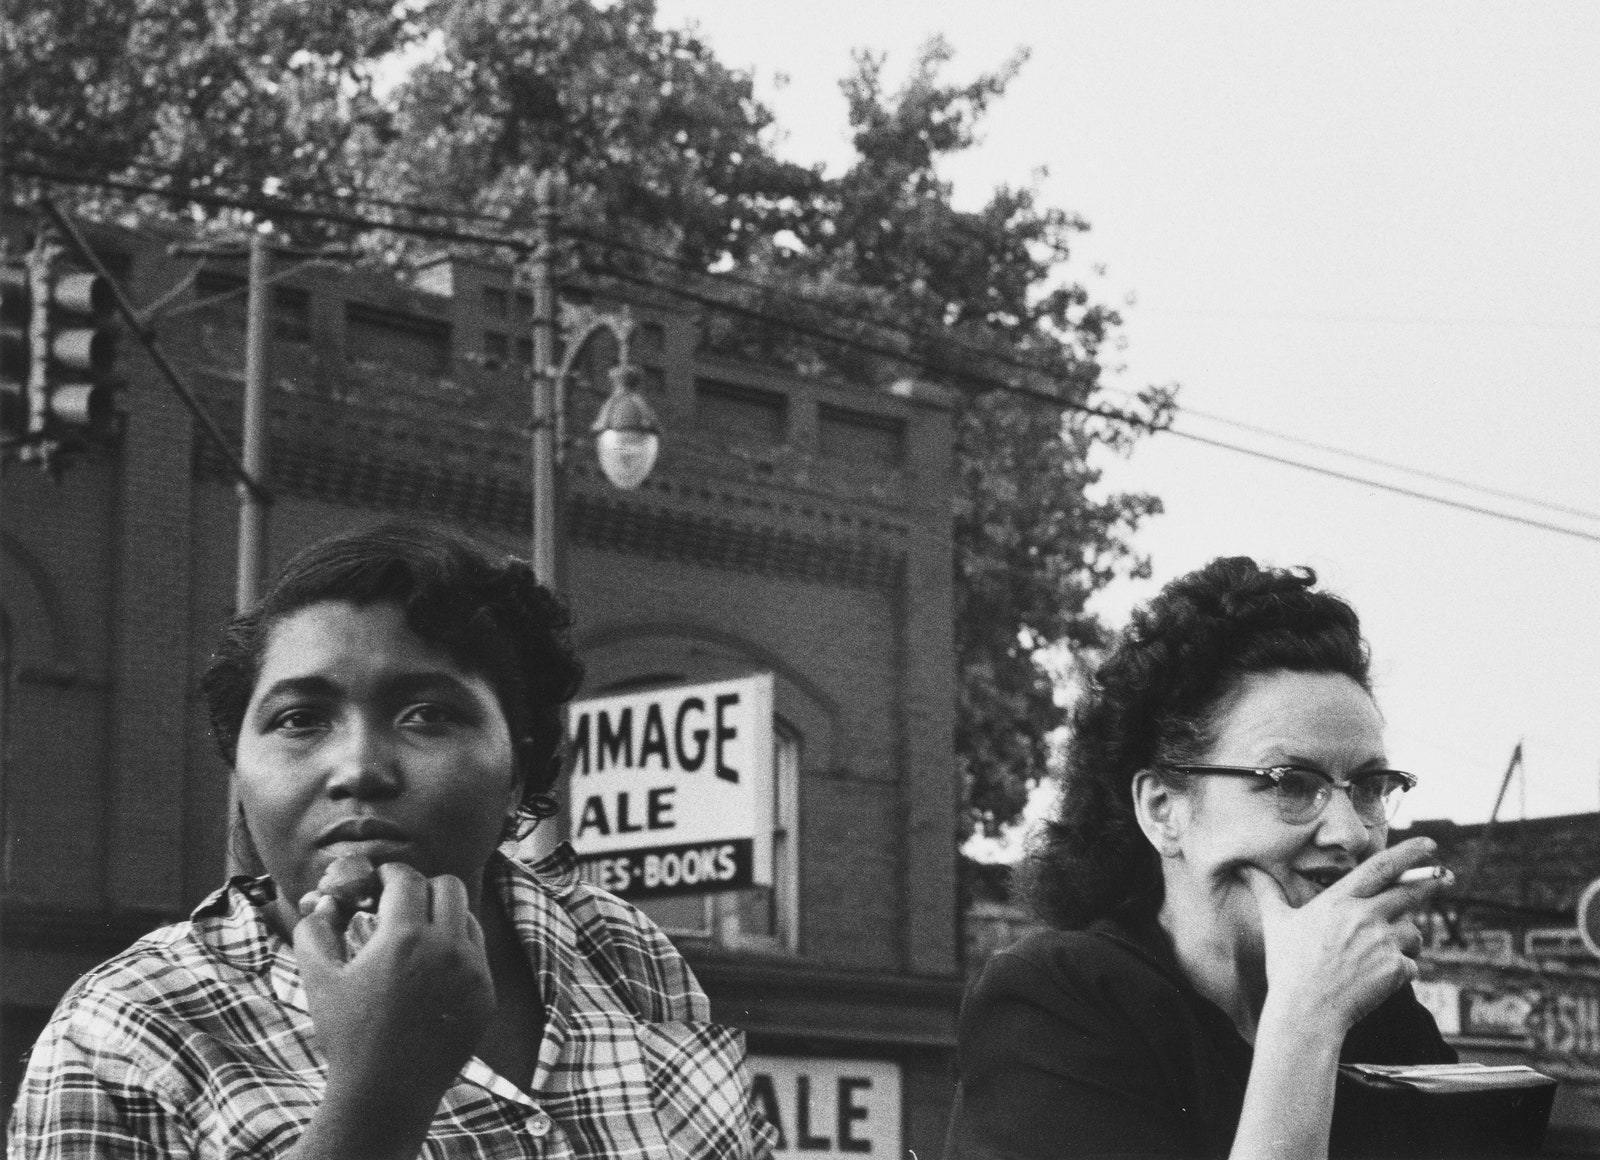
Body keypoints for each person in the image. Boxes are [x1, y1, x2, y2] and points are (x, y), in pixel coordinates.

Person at [9, 520, 774, 1159]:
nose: (360, 770)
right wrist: (377, 1096)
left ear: (522, 766)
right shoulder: (131, 1031)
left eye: (427, 715)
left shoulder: (621, 949)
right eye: (300, 719)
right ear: (239, 769)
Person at [945, 557, 1456, 1160]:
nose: (1350, 831)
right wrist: (1306, 1023)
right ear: (1164, 809)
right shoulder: (1054, 1004)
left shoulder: (1382, 1016)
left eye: (1370, 787)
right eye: (1290, 782)